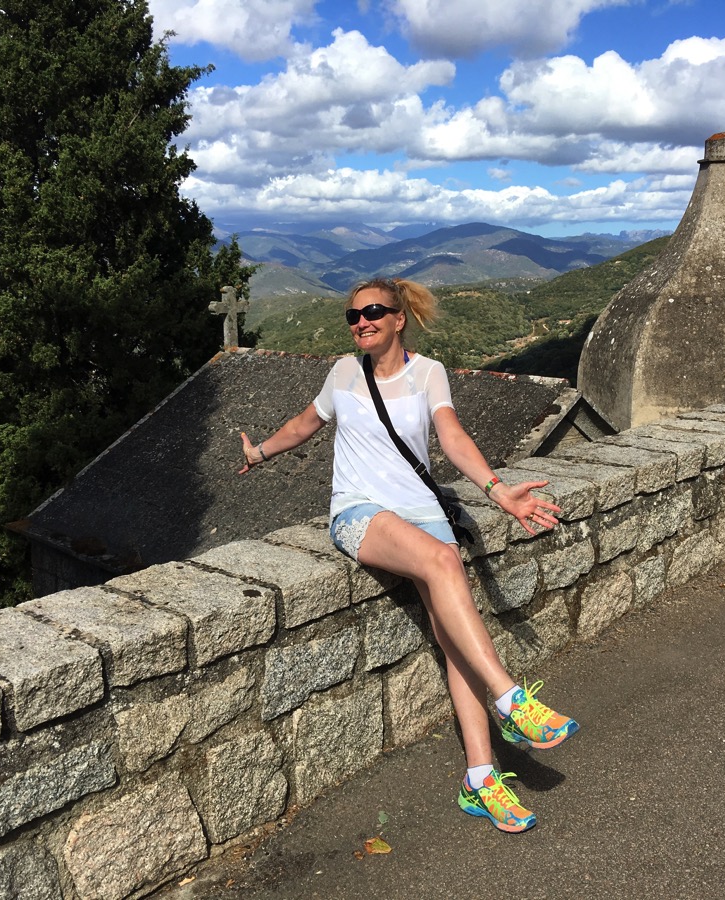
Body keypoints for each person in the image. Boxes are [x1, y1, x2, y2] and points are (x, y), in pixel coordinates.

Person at [238, 277, 579, 833]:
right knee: (446, 566)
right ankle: (512, 700)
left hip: (422, 514)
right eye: (353, 316)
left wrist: (497, 489)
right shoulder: (344, 373)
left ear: (400, 318)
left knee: (454, 641)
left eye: (373, 311)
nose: (361, 322)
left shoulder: (429, 373)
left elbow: (452, 435)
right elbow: (306, 424)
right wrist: (260, 452)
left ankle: (481, 781)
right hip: (359, 513)